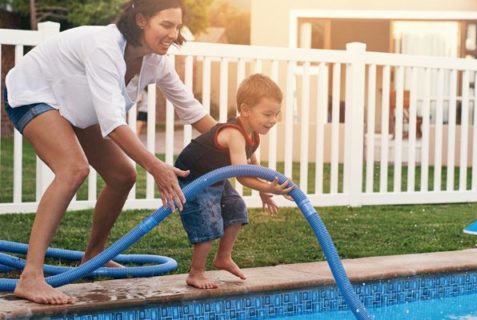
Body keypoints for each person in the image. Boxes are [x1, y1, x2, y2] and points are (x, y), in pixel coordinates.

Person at [3, 0, 216, 305]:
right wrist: (156, 166)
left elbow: (191, 110)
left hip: (76, 105)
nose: (174, 34)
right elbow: (113, 123)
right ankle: (31, 277)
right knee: (73, 169)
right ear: (141, 20)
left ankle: (94, 256)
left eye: (177, 26)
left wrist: (234, 142)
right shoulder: (104, 47)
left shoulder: (156, 61)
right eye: (166, 25)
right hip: (34, 92)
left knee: (123, 174)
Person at [174, 74, 294, 289]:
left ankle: (223, 257)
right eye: (267, 114)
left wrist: (263, 192)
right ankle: (196, 273)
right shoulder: (234, 133)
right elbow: (241, 173)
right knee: (208, 221)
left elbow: (251, 163)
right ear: (246, 110)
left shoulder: (253, 134)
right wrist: (268, 187)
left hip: (213, 178)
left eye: (276, 114)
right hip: (192, 178)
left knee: (237, 209)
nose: (273, 120)